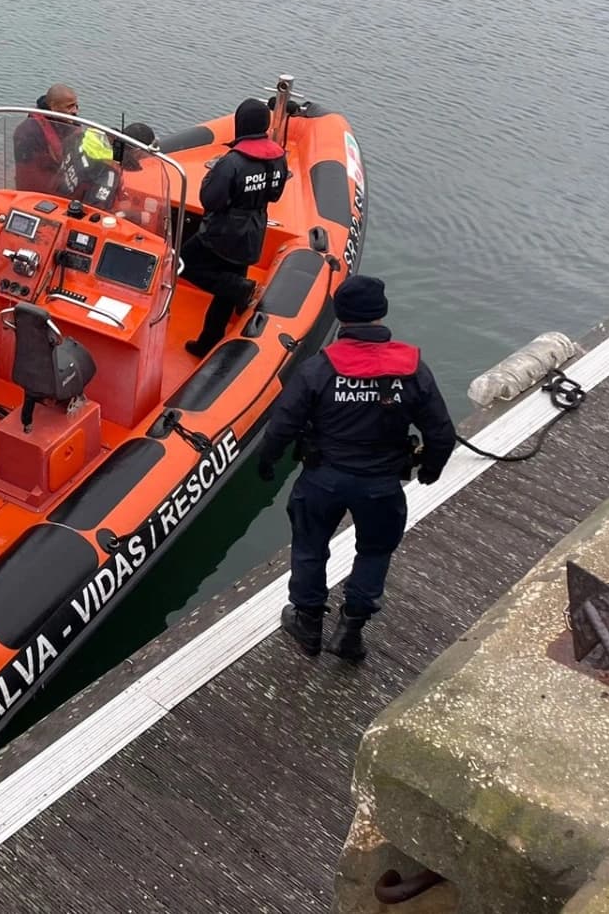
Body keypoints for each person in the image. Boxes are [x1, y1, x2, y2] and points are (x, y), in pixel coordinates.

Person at [253, 276, 456, 663]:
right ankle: (351, 630)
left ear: (341, 317)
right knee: (375, 551)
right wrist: (431, 467)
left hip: (322, 480)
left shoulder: (318, 370)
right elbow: (441, 431)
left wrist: (267, 460)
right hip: (381, 485)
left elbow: (283, 424)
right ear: (380, 313)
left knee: (311, 547)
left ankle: (308, 623)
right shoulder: (412, 368)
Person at [180, 98, 288, 357]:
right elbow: (275, 195)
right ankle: (208, 342)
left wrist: (211, 174)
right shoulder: (279, 158)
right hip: (253, 231)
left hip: (222, 232)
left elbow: (211, 199)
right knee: (226, 295)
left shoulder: (232, 162)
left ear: (240, 124)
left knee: (180, 263)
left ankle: (243, 289)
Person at [12, 83, 82, 193]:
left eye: (76, 106)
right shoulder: (29, 132)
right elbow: (29, 176)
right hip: (42, 190)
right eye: (69, 106)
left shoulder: (70, 122)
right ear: (53, 106)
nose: (75, 111)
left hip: (67, 176)